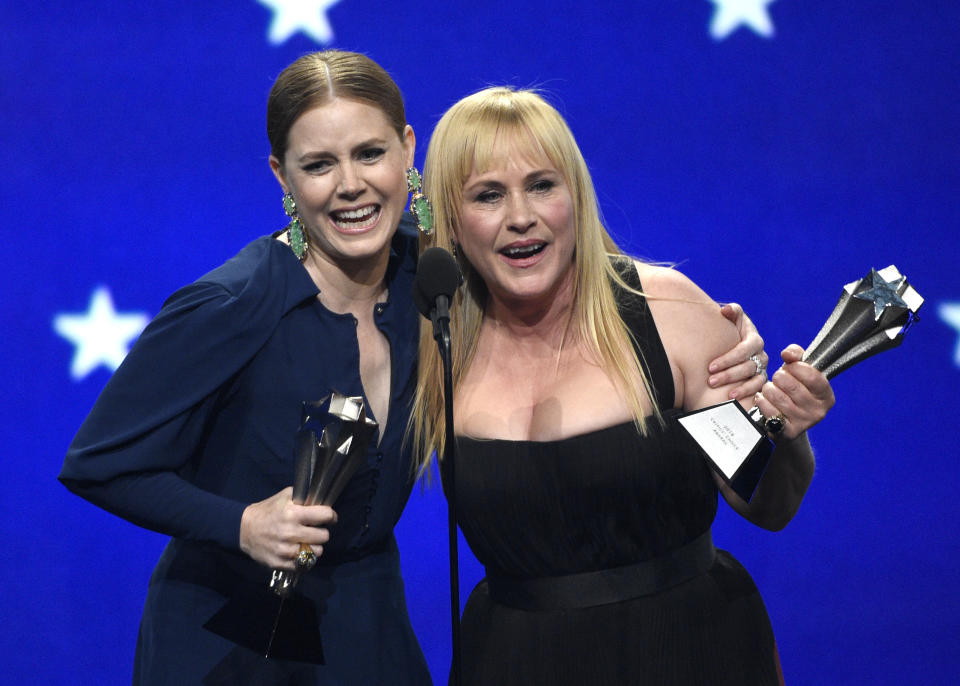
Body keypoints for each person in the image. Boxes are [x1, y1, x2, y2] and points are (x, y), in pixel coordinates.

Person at [59, 52, 767, 684]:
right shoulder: (233, 303)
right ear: (282, 176)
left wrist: (705, 327)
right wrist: (241, 523)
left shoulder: (433, 277)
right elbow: (98, 463)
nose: (350, 186)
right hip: (228, 637)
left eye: (369, 154)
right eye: (318, 165)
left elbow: (557, 259)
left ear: (407, 152)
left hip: (367, 622)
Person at [411, 87, 835, 685]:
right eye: (488, 194)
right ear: (453, 220)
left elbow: (768, 505)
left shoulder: (667, 313)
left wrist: (788, 434)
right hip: (513, 661)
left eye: (541, 185)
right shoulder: (436, 344)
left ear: (575, 196)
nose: (520, 216)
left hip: (688, 651)